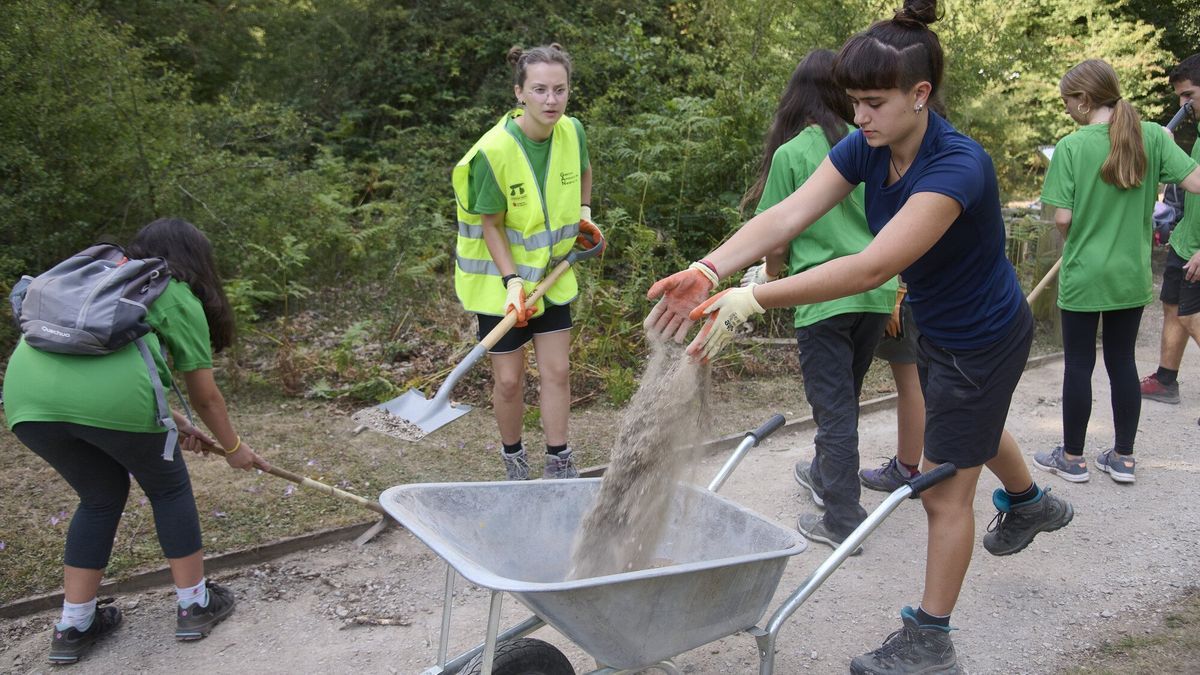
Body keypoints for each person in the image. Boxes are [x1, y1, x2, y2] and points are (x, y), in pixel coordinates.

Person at [644, 1, 1074, 671]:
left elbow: (872, 266)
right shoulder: (869, 146)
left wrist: (753, 296)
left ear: (920, 94)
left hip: (982, 338)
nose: (859, 116)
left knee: (943, 490)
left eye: (874, 103)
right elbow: (788, 214)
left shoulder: (958, 165)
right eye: (854, 102)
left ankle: (931, 639)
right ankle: (1030, 502)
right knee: (970, 427)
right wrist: (708, 269)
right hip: (940, 324)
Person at [3, 218, 271, 664]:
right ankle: (194, 604)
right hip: (114, 404)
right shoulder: (173, 291)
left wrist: (174, 422)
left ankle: (74, 625)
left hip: (26, 403)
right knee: (169, 489)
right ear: (196, 259)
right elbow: (206, 395)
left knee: (100, 496)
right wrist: (233, 448)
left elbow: (110, 362)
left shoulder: (96, 280)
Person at [734, 49, 919, 551]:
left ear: (796, 94)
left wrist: (768, 278)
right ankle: (822, 474)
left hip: (822, 298)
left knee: (833, 408)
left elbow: (774, 236)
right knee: (844, 398)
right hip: (875, 293)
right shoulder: (869, 147)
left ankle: (843, 518)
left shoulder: (794, 153)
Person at [1033, 59, 1200, 485]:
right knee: (1122, 361)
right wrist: (1164, 147)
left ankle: (1073, 458)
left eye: (1067, 101)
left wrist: (1075, 234)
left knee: (1078, 364)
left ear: (1084, 100)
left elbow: (1063, 218)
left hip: (1084, 273)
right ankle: (1123, 457)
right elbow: (1196, 181)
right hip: (1130, 274)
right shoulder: (1151, 136)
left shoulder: (1071, 147)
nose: (1066, 108)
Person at [451, 43, 603, 480]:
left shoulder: (572, 131)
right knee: (509, 380)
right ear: (519, 92)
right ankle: (514, 461)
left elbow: (585, 169)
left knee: (558, 371)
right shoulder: (493, 152)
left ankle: (559, 460)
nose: (551, 100)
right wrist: (512, 282)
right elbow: (491, 225)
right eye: (539, 90)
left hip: (552, 277)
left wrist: (584, 214)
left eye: (560, 90)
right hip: (500, 287)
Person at [1141, 54, 1200, 408]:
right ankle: (1165, 380)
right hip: (1185, 239)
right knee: (1173, 306)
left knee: (1191, 315)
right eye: (1180, 97)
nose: (1183, 106)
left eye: (1189, 95)